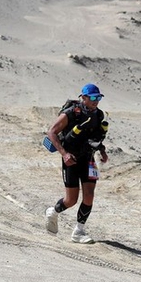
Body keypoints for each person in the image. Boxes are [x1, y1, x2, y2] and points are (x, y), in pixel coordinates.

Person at [43, 83, 109, 244]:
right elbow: (51, 132)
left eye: (98, 98)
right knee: (71, 200)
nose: (96, 101)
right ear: (84, 97)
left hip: (88, 158)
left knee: (89, 195)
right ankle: (53, 212)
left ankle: (79, 231)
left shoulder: (99, 115)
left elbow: (95, 136)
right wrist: (64, 154)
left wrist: (102, 151)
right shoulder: (71, 113)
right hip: (71, 159)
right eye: (93, 98)